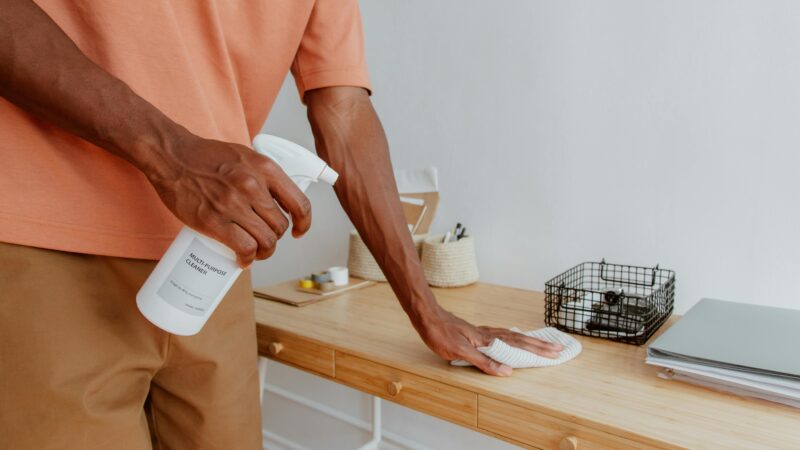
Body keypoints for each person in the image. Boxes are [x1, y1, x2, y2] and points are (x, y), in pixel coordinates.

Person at [0, 1, 562, 448]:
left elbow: (343, 111)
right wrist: (169, 152)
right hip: (46, 247)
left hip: (212, 265)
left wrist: (426, 308)